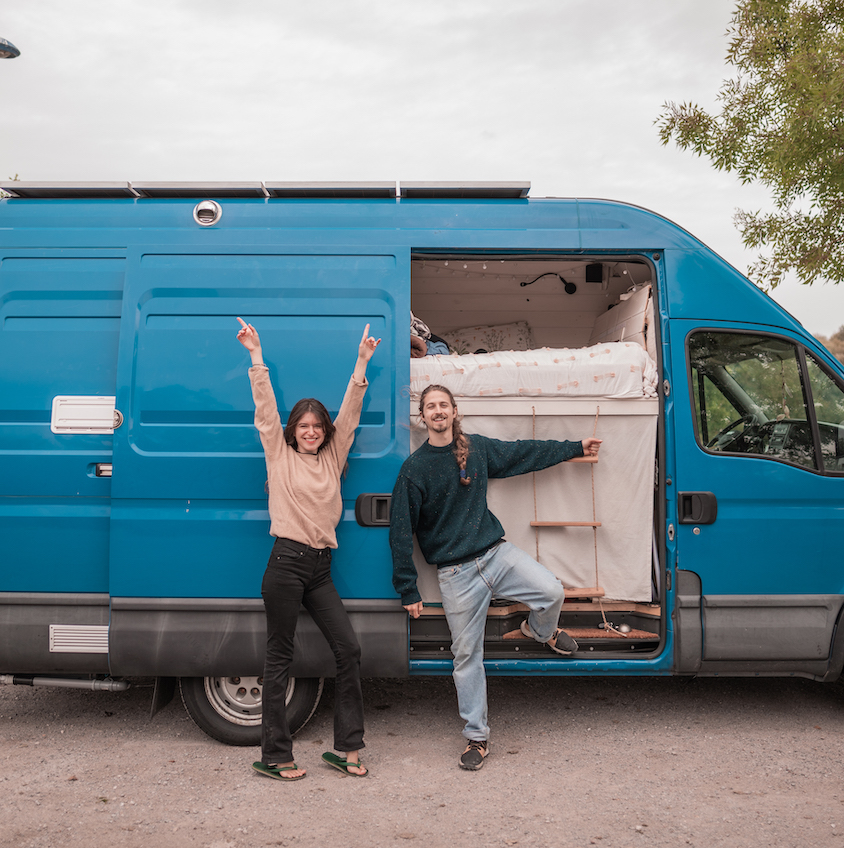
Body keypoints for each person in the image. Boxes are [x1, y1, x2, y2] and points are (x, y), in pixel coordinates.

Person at [388, 383, 603, 771]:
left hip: (496, 554)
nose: (438, 411)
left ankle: (540, 632)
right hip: (455, 574)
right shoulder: (414, 469)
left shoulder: (476, 449)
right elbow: (401, 532)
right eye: (430, 407)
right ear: (423, 418)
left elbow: (524, 452)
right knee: (467, 655)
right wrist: (408, 587)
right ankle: (476, 736)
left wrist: (574, 447)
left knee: (551, 591)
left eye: (443, 405)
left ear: (455, 411)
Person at [237, 317, 378, 780]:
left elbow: (351, 414)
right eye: (304, 425)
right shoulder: (278, 455)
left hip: (320, 568)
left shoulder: (334, 458)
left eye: (318, 425)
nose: (312, 431)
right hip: (285, 565)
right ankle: (275, 755)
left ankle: (347, 748)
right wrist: (256, 357)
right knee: (279, 659)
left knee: (349, 650)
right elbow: (265, 410)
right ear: (293, 429)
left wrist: (361, 363)